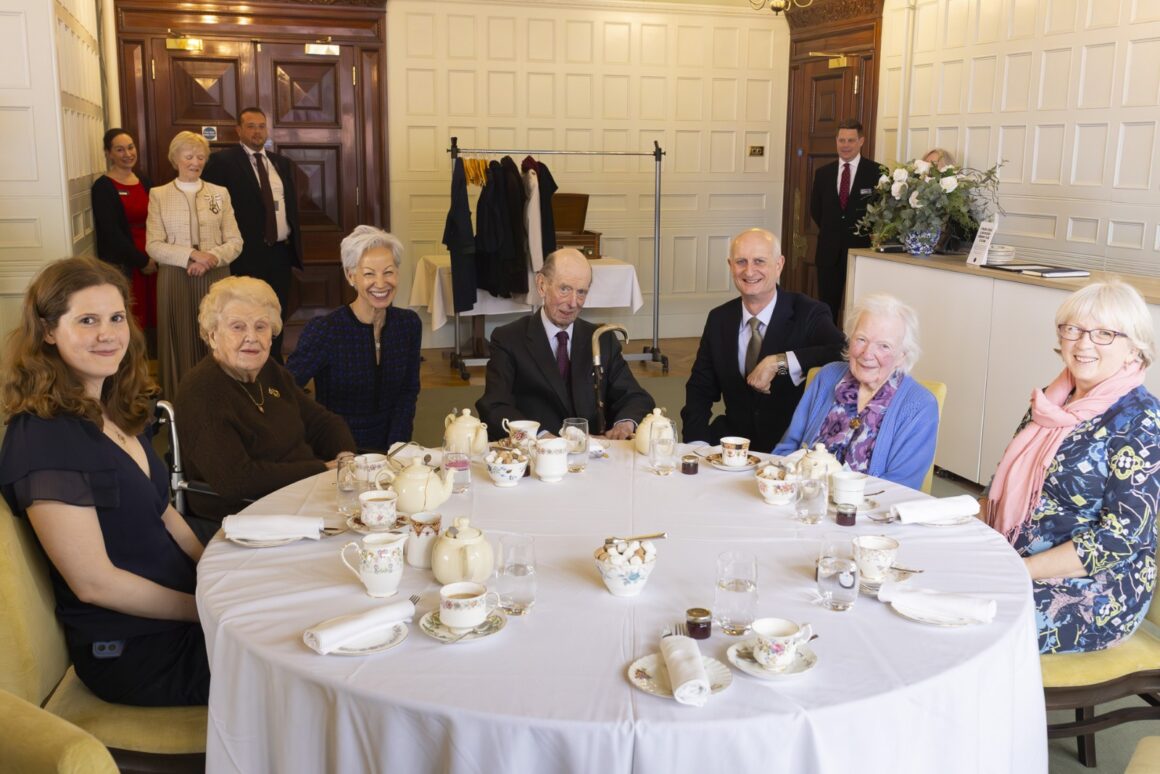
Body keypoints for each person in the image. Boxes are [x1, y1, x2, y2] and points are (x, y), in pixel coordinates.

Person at [0, 257, 208, 706]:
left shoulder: (112, 407)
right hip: (135, 650)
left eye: (116, 318)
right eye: (87, 320)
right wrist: (206, 611)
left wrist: (215, 571)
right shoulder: (43, 437)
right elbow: (94, 582)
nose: (108, 334)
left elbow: (165, 512)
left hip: (178, 612)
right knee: (307, 664)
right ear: (49, 331)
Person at [985, 281, 1159, 654]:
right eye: (1073, 329)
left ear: (1134, 349)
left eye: (1104, 334)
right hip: (1018, 558)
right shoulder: (1052, 402)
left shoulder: (1140, 421)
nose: (1083, 344)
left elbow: (1120, 539)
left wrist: (1018, 571)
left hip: (1099, 589)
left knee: (972, 616)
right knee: (931, 582)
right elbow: (1000, 481)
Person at [176, 276, 355, 541]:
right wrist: (321, 469)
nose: (252, 337)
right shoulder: (202, 391)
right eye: (237, 327)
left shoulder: (269, 371)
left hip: (298, 498)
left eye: (261, 327)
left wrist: (345, 459)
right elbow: (236, 480)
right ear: (213, 335)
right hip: (247, 517)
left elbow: (322, 422)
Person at [681, 228, 845, 451]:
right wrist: (696, 444)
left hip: (790, 448)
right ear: (730, 266)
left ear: (779, 265)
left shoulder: (808, 312)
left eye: (759, 261)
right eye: (741, 262)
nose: (749, 271)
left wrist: (780, 362)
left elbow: (842, 350)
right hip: (732, 444)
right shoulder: (719, 319)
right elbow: (700, 388)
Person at [476, 248, 654, 440]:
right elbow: (495, 407)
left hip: (594, 456)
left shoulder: (602, 339)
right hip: (538, 456)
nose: (573, 303)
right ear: (542, 285)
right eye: (565, 289)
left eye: (581, 292)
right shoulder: (508, 339)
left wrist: (624, 424)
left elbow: (635, 397)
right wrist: (538, 436)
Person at [773, 294, 938, 490]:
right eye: (861, 339)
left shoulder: (919, 406)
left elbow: (900, 487)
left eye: (884, 346)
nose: (867, 354)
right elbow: (787, 449)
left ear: (902, 355)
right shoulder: (827, 377)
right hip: (804, 500)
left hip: (866, 514)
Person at [287, 225, 421, 451]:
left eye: (388, 271)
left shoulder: (408, 325)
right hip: (337, 450)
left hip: (394, 448)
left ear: (397, 273)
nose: (381, 283)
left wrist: (398, 447)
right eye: (369, 273)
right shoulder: (326, 330)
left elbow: (408, 392)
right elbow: (285, 388)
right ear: (351, 277)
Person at [146, 131, 242, 399]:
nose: (195, 162)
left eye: (200, 157)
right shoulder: (159, 194)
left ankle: (221, 398)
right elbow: (153, 245)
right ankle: (180, 401)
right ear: (175, 158)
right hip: (176, 278)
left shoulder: (219, 193)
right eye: (188, 156)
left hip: (216, 276)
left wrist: (210, 258)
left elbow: (235, 241)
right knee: (180, 339)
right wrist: (191, 255)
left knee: (216, 334)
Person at [202, 106, 303, 361]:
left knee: (275, 311)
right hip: (246, 254)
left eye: (261, 126)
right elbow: (212, 207)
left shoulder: (280, 163)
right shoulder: (222, 162)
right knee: (246, 314)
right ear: (239, 130)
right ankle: (244, 365)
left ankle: (275, 367)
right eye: (251, 126)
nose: (257, 132)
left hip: (280, 252)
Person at [90, 128, 157, 342]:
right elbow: (111, 232)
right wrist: (141, 260)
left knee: (152, 312)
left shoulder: (144, 181)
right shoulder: (103, 187)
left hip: (153, 258)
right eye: (119, 149)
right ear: (109, 153)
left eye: (130, 147)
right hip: (126, 263)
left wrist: (154, 256)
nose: (127, 154)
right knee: (129, 313)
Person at [810, 118, 879, 322]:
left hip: (861, 253)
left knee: (860, 308)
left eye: (850, 140)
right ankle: (828, 349)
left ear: (861, 141)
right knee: (827, 309)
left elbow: (880, 212)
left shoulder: (876, 172)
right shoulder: (823, 173)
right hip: (828, 254)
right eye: (841, 140)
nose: (845, 145)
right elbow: (816, 210)